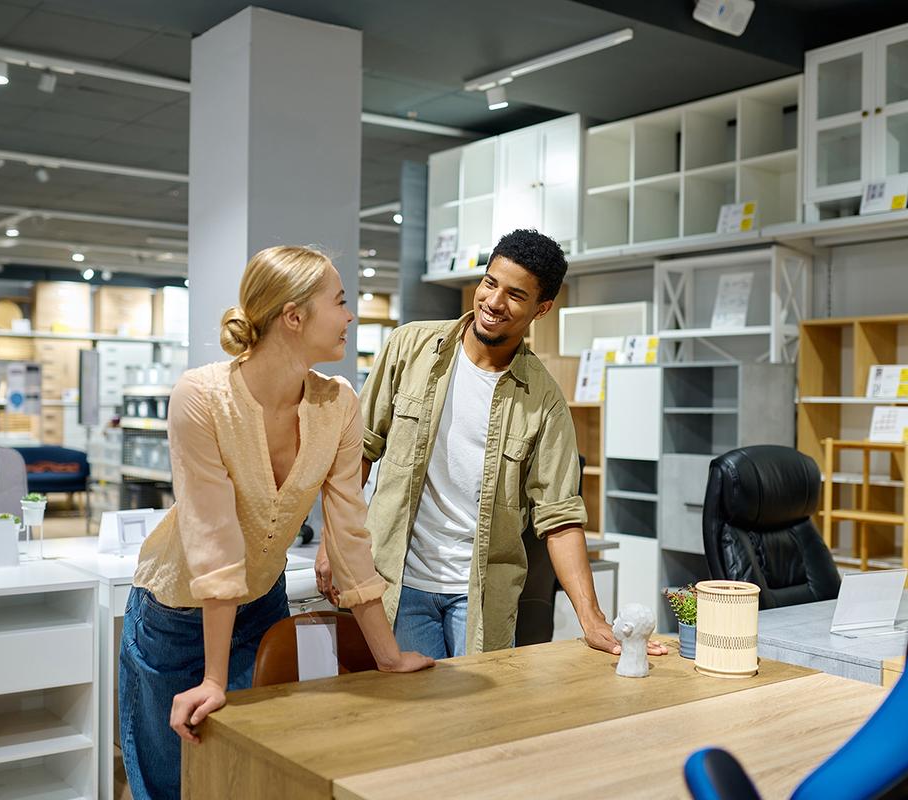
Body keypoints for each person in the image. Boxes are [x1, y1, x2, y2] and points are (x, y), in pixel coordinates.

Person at [119, 245, 434, 800]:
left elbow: (350, 534)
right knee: (174, 784)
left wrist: (387, 655)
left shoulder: (337, 402)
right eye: (339, 302)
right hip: (175, 613)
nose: (349, 315)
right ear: (294, 316)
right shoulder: (202, 397)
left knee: (248, 778)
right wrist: (214, 678)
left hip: (261, 604)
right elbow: (213, 541)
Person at [316, 228, 668, 661]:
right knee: (410, 716)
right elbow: (359, 455)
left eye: (515, 295)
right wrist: (333, 544)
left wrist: (592, 618)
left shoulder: (545, 401)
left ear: (542, 309)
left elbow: (559, 516)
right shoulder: (411, 347)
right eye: (490, 283)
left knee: (475, 721)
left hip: (479, 597)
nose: (494, 302)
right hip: (397, 580)